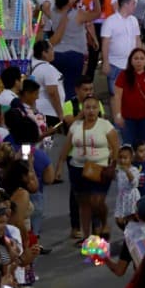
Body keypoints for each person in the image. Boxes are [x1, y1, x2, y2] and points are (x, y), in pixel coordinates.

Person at [54, 96, 119, 242]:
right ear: (83, 109)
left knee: (97, 201)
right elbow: (66, 147)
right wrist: (59, 167)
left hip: (100, 168)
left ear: (99, 109)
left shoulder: (105, 125)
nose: (91, 111)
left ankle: (103, 224)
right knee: (83, 203)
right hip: (78, 169)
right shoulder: (75, 126)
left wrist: (113, 165)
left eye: (94, 107)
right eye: (87, 107)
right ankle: (87, 236)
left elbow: (115, 147)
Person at [111, 48, 145, 149]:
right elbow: (117, 96)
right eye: (135, 58)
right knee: (128, 146)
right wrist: (118, 115)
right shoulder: (123, 75)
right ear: (131, 61)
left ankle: (140, 164)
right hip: (128, 118)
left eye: (141, 58)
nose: (139, 61)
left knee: (143, 147)